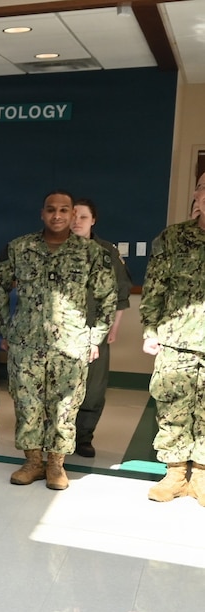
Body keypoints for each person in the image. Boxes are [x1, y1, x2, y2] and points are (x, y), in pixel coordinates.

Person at [0, 191, 117, 490]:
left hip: (71, 345)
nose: (57, 215)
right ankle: (33, 462)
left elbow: (108, 297)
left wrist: (94, 338)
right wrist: (7, 330)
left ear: (73, 214)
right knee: (27, 404)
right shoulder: (18, 248)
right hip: (27, 343)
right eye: (51, 209)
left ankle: (56, 465)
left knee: (65, 407)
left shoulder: (92, 252)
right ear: (42, 213)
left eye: (64, 210)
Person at [141, 171, 205, 504]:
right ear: (196, 195)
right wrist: (150, 331)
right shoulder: (173, 238)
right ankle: (175, 474)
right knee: (172, 408)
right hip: (176, 339)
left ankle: (202, 476)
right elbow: (154, 287)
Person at [70, 198, 133, 458]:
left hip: (96, 329)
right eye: (73, 216)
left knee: (93, 387)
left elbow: (121, 294)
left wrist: (113, 329)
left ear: (93, 220)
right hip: (61, 331)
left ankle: (84, 437)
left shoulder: (107, 252)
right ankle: (58, 436)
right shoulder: (52, 248)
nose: (76, 221)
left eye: (83, 217)